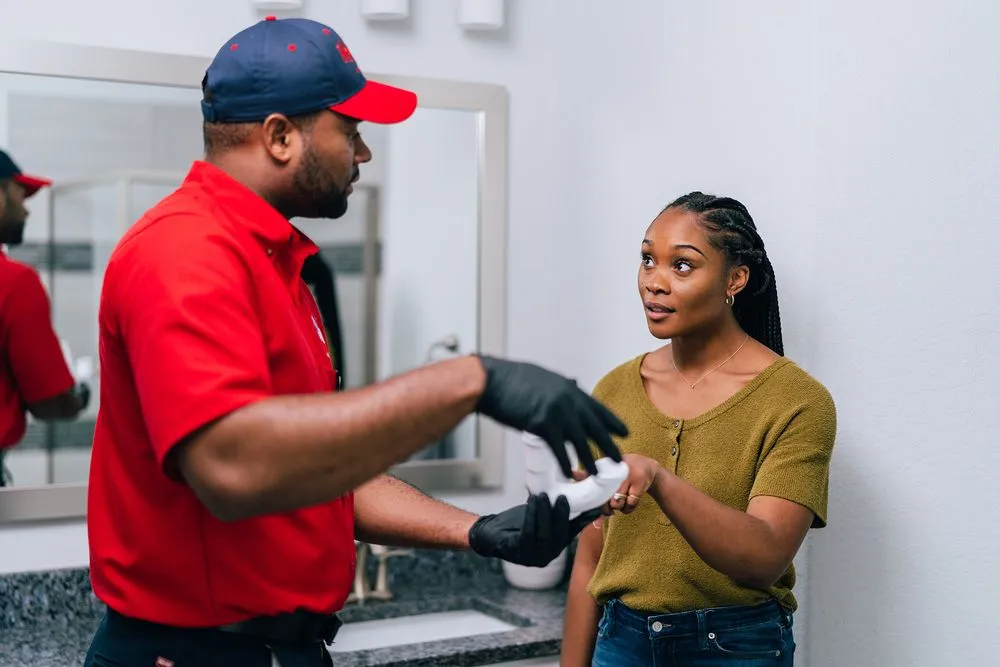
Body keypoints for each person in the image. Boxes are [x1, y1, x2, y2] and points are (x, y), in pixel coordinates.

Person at [83, 17, 627, 667]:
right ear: (280, 136)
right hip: (198, 652)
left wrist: (477, 531)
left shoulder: (275, 264)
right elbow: (231, 467)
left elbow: (316, 467)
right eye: (351, 130)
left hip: (280, 647)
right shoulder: (185, 249)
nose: (363, 154)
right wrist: (471, 380)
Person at [560, 192, 837, 667]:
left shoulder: (797, 402)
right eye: (648, 260)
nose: (655, 283)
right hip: (620, 642)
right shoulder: (613, 391)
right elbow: (590, 558)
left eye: (682, 266)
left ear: (735, 279)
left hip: (735, 647)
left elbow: (763, 557)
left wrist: (659, 479)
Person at [0, 149, 89, 486]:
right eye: (19, 195)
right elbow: (48, 401)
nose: (25, 209)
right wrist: (77, 397)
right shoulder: (13, 282)